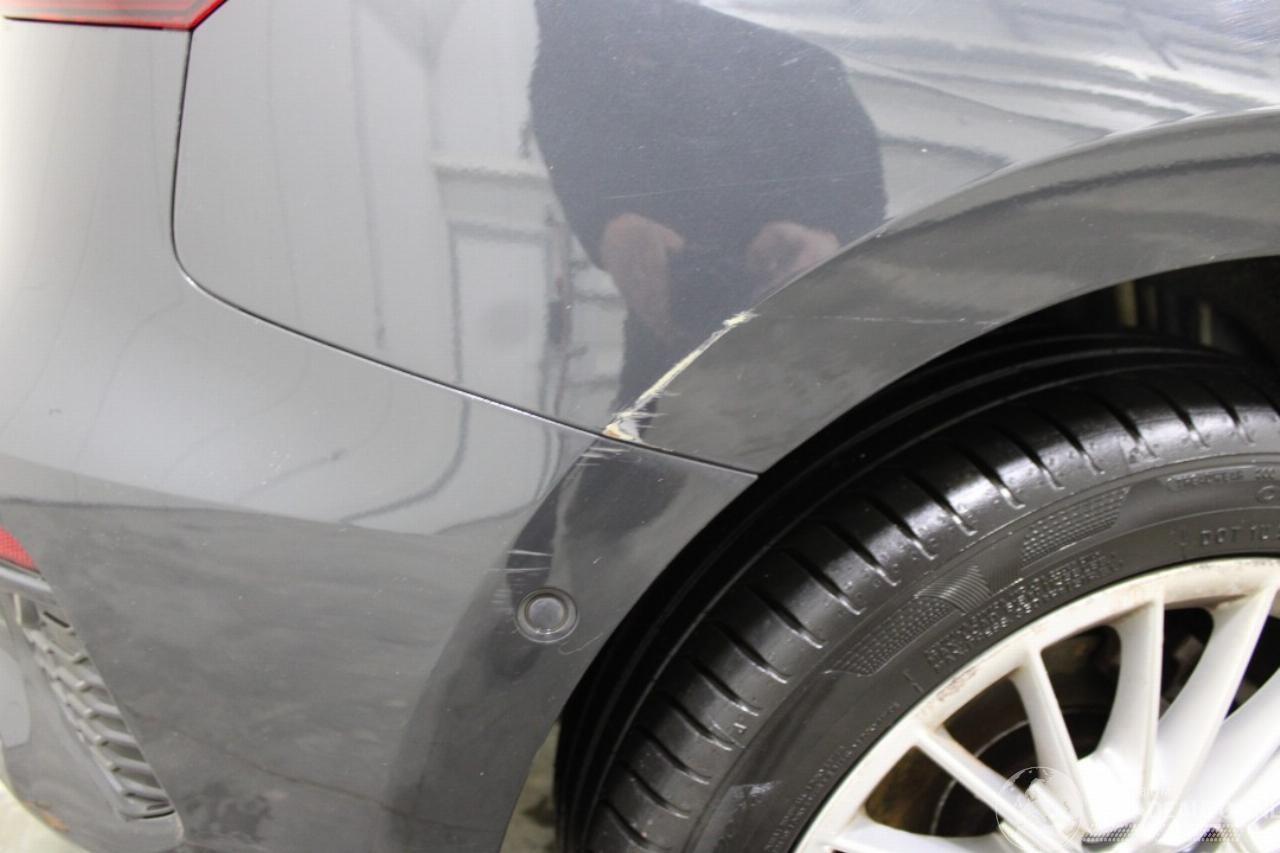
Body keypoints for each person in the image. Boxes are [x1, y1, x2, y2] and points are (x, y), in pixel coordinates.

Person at [531, 0, 886, 402]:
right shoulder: (588, 43)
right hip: (677, 302)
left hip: (795, 317)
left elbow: (816, 61)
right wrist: (607, 220)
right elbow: (564, 58)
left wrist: (830, 230)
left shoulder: (793, 45)